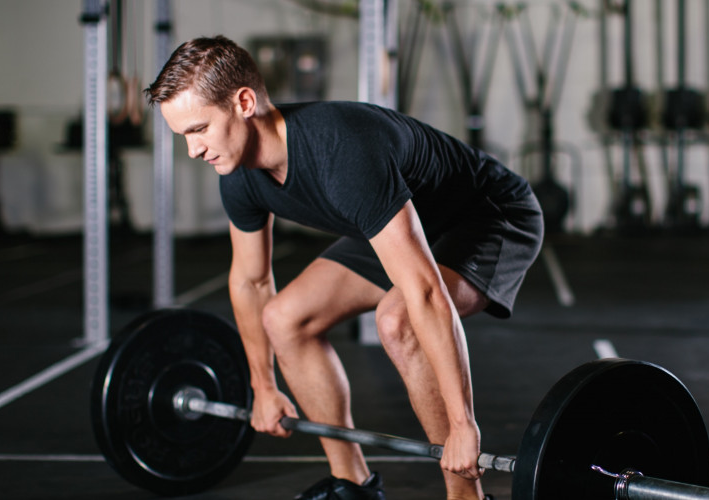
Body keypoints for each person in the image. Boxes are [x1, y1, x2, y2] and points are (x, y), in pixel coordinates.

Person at [146, 35, 543, 500]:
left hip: (488, 215)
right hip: (400, 221)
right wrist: (263, 385)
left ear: (244, 102)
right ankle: (352, 485)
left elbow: (426, 293)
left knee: (399, 320)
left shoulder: (342, 152)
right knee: (284, 319)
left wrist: (463, 425)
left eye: (198, 130)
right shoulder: (237, 174)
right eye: (184, 137)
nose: (193, 150)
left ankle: (465, 497)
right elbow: (252, 281)